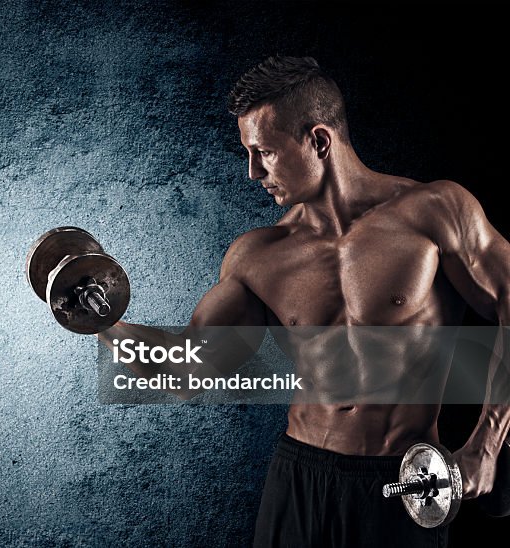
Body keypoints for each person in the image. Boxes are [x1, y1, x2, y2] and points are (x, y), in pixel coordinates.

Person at [98, 56, 509, 546]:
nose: (253, 173)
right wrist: (104, 321)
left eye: (265, 152)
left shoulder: (436, 213)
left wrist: (487, 440)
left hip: (401, 483)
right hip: (299, 478)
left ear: (318, 140)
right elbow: (190, 370)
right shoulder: (258, 255)